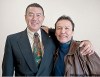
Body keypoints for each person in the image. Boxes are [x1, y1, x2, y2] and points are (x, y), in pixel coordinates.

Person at [2, 3, 94, 76]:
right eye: (31, 15)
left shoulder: (53, 37)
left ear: (43, 18)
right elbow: (7, 72)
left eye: (38, 15)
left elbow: (66, 37)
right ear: (25, 17)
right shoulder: (12, 40)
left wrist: (85, 42)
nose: (35, 18)